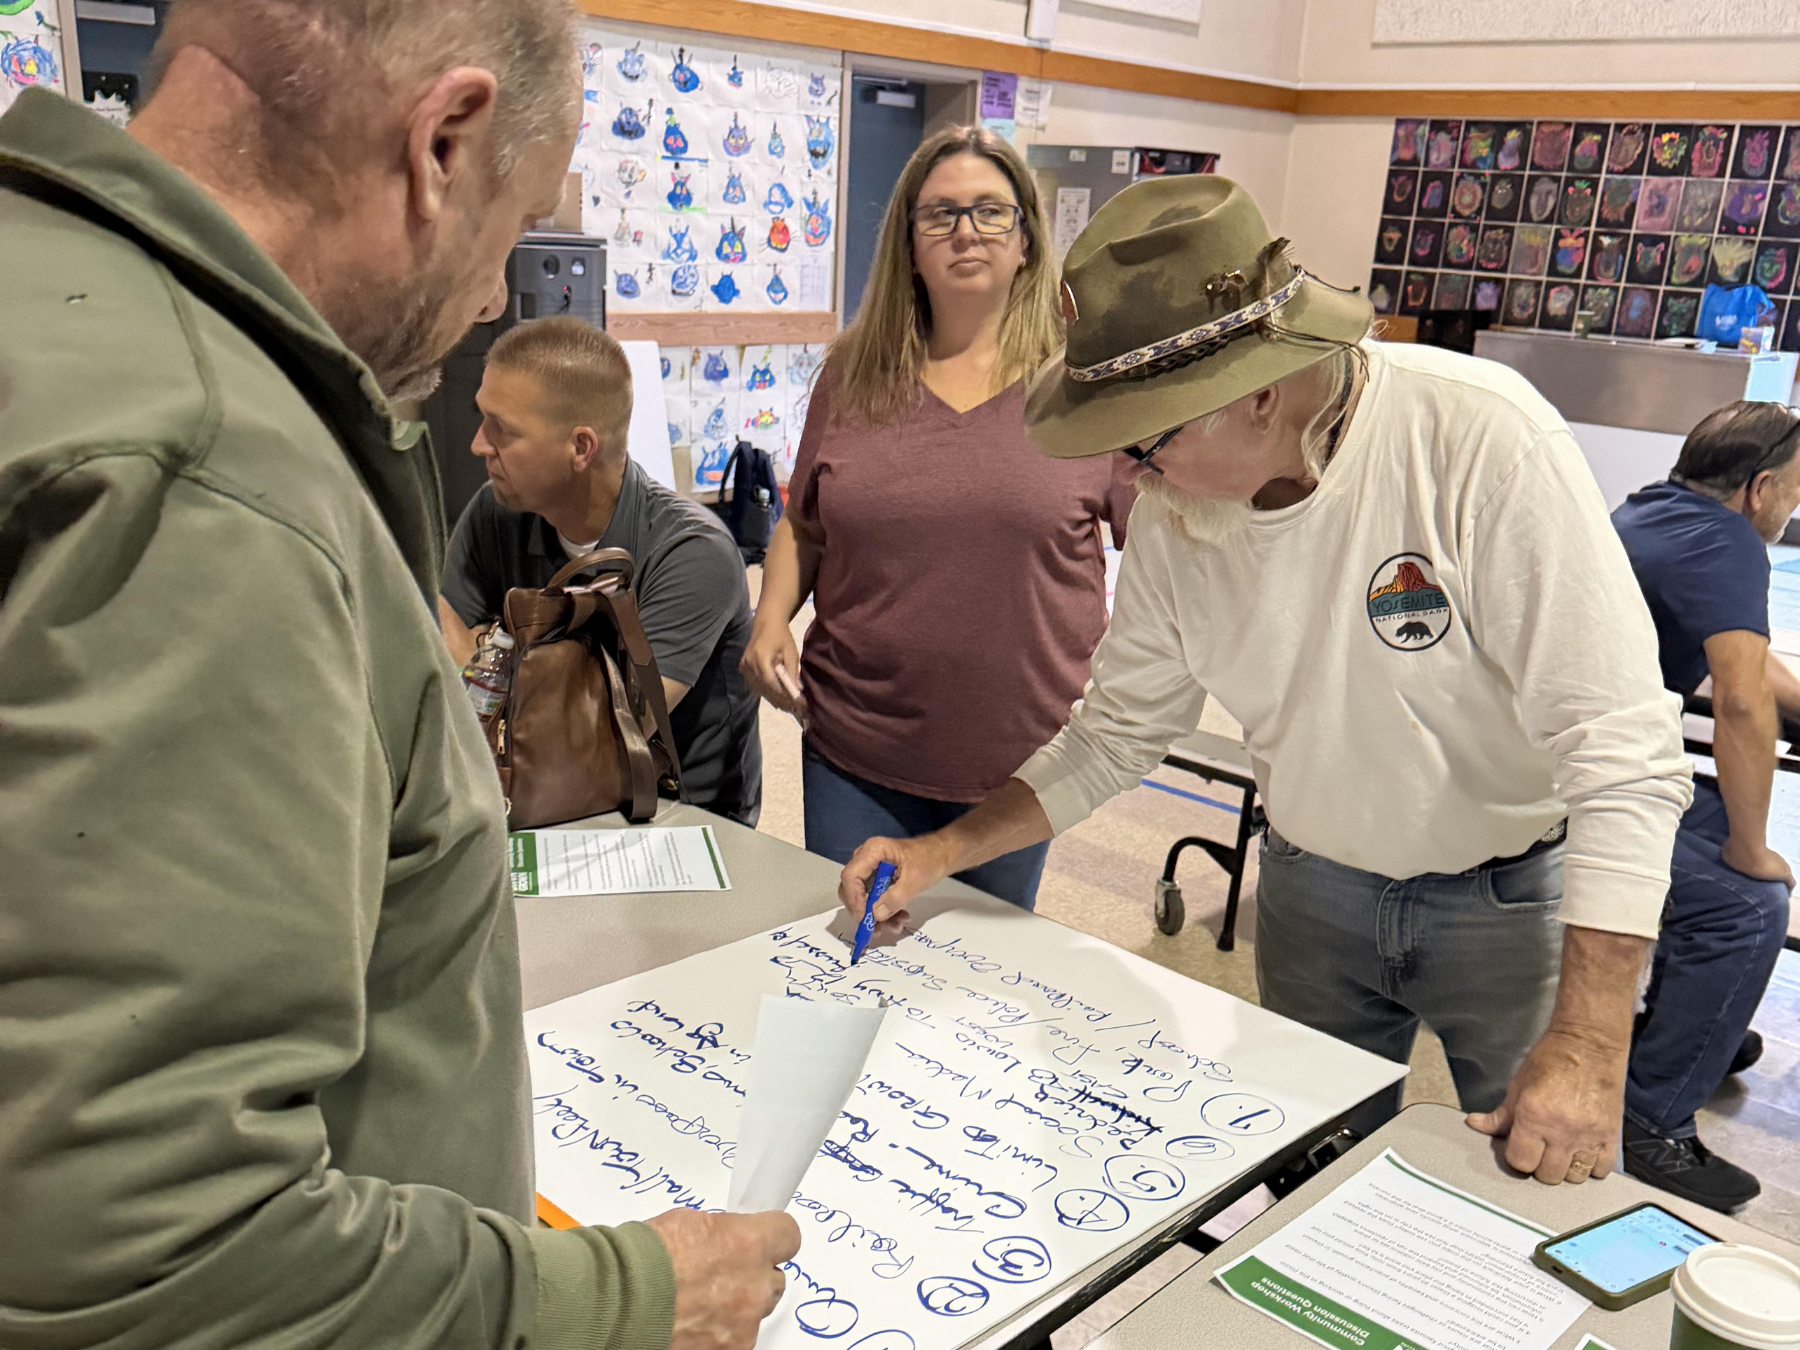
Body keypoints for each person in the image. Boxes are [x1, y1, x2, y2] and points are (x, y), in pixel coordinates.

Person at [0, 3, 795, 1347]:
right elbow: (146, 1240)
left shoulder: (48, 292)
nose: (496, 295)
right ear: (442, 144)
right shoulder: (210, 478)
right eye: (515, 224)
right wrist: (626, 1298)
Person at [837, 174, 1695, 1186]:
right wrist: (943, 851)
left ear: (1257, 391)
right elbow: (1114, 736)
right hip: (1310, 889)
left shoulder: (1477, 439)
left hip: (1503, 898)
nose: (1130, 472)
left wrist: (1594, 1049)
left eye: (1147, 438)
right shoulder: (1177, 508)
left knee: (1521, 1179)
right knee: (1309, 1170)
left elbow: (1623, 752)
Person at [740, 125, 1135, 909]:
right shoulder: (854, 374)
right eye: (940, 214)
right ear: (909, 244)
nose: (965, 231)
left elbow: (1164, 557)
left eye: (991, 212)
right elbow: (806, 526)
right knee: (860, 960)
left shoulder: (1088, 388)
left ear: (1026, 238)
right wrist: (771, 615)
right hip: (854, 743)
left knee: (976, 996)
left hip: (1019, 766)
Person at [440, 317, 762, 825]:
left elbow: (595, 741)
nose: (479, 445)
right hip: (525, 787)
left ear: (581, 448)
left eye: (502, 429)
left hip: (682, 815)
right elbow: (430, 671)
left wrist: (483, 656)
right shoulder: (495, 511)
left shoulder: (694, 553)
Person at [1611, 401, 1800, 1210]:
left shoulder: (1655, 511)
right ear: (1759, 487)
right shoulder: (1726, 542)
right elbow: (1740, 703)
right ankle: (1651, 1120)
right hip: (1580, 791)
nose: (1794, 508)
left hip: (1578, 762)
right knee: (1749, 901)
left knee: (1716, 816)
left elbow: (1748, 667)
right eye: (1794, 490)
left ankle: (1693, 1027)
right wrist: (1755, 848)